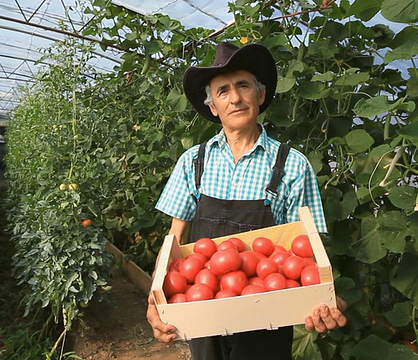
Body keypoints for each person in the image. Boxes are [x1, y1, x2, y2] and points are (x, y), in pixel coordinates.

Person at [146, 42, 347, 360]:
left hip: (267, 312)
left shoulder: (292, 165)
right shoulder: (193, 162)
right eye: (223, 91)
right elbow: (175, 238)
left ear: (261, 94)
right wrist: (155, 299)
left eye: (243, 86)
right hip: (204, 312)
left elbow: (308, 250)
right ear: (213, 106)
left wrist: (322, 295)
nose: (235, 98)